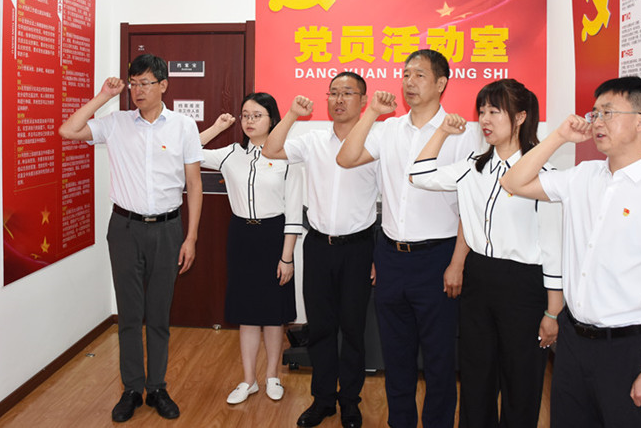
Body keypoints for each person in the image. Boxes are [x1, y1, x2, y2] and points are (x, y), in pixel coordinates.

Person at [500, 76, 641, 428]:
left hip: (626, 350)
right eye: (595, 113)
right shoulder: (583, 177)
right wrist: (558, 137)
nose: (597, 122)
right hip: (573, 341)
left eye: (608, 112)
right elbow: (513, 182)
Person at [408, 78, 563, 428]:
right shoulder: (472, 167)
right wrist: (442, 132)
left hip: (524, 284)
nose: (485, 120)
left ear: (520, 117)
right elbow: (418, 174)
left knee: (521, 381)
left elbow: (553, 247)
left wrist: (553, 312)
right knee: (476, 376)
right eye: (481, 112)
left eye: (495, 111)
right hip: (478, 278)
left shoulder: (544, 175)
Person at [58, 54, 203, 423]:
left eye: (146, 83)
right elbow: (69, 130)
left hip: (168, 229)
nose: (138, 91)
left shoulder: (184, 126)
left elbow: (194, 183)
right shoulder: (117, 123)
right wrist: (103, 96)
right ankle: (131, 389)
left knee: (159, 313)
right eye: (133, 84)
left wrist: (191, 238)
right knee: (129, 314)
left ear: (163, 85)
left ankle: (157, 387)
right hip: (124, 229)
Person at [337, 49, 478, 428]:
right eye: (406, 74)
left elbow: (470, 207)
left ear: (441, 83)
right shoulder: (390, 130)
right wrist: (371, 113)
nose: (409, 82)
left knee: (439, 358)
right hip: (391, 256)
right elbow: (346, 158)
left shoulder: (461, 134)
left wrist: (457, 263)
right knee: (396, 355)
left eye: (419, 75)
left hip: (438, 258)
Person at [261, 72, 380, 428]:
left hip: (359, 248)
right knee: (322, 327)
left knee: (353, 330)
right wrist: (292, 115)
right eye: (334, 93)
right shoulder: (312, 140)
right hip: (318, 247)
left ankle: (350, 402)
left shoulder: (375, 143)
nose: (339, 99)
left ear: (363, 100)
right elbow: (270, 149)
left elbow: (387, 199)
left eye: (348, 93)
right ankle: (323, 399)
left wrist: (377, 255)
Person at [198, 92, 304, 406]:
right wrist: (217, 128)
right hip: (241, 236)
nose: (249, 121)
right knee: (247, 314)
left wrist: (287, 257)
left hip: (274, 236)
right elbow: (185, 152)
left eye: (257, 115)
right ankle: (248, 380)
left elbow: (293, 213)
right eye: (245, 115)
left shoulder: (288, 158)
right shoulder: (231, 154)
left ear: (273, 120)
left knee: (273, 315)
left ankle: (272, 376)